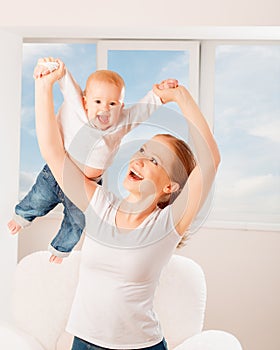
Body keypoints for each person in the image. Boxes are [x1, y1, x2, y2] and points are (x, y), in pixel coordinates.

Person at [33, 58, 220, 350]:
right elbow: (53, 152)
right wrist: (43, 86)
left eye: (155, 160)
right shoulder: (99, 205)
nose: (141, 159)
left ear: (169, 187)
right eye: (143, 150)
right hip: (84, 342)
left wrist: (180, 97)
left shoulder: (168, 224)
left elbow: (210, 160)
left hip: (142, 346)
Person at [7, 57, 178, 264]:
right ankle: (21, 217)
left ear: (121, 106)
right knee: (37, 198)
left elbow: (143, 109)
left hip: (87, 187)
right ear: (86, 100)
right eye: (98, 102)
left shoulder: (122, 122)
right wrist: (53, 68)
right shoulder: (77, 106)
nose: (104, 109)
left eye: (112, 103)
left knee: (77, 221)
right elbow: (65, 80)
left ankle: (61, 249)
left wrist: (159, 95)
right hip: (55, 175)